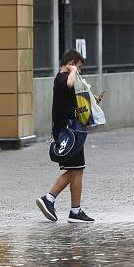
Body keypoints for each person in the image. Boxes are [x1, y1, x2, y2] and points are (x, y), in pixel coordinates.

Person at [36, 49, 96, 223]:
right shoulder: (63, 78)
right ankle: (51, 199)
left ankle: (73, 210)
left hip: (71, 129)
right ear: (71, 63)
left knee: (77, 169)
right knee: (75, 169)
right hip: (69, 131)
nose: (79, 70)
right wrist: (72, 71)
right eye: (78, 66)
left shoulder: (63, 78)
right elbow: (70, 84)